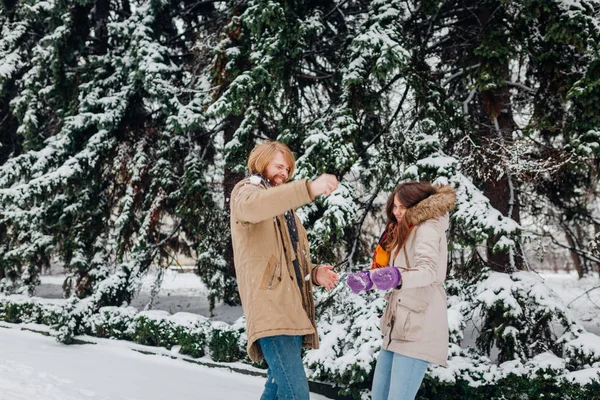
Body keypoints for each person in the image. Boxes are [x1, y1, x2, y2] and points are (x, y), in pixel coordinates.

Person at [229, 140, 340, 400]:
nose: (284, 172)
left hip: (292, 308)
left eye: (288, 169)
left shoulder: (286, 211)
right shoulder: (246, 193)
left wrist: (314, 273)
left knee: (278, 389)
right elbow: (258, 206)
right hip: (271, 308)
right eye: (279, 166)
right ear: (261, 161)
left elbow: (289, 262)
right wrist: (308, 188)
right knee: (296, 393)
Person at [346, 181, 456, 400]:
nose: (396, 212)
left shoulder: (427, 228)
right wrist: (370, 279)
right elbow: (394, 271)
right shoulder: (404, 229)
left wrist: (395, 277)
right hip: (398, 326)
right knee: (379, 395)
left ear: (417, 205)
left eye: (402, 207)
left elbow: (429, 272)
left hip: (418, 326)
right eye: (394, 206)